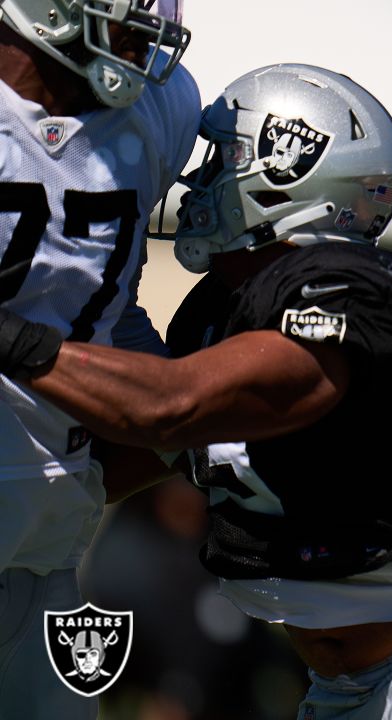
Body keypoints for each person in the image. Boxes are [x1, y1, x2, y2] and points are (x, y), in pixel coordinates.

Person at [0, 63, 392, 719]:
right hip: (339, 683)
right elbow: (141, 455)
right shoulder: (217, 308)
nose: (195, 180)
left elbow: (167, 407)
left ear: (282, 173)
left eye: (220, 161)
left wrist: (15, 336)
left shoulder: (351, 285)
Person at [0, 1, 197, 717]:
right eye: (122, 21)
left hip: (46, 551)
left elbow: (104, 301)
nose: (141, 42)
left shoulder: (162, 108)